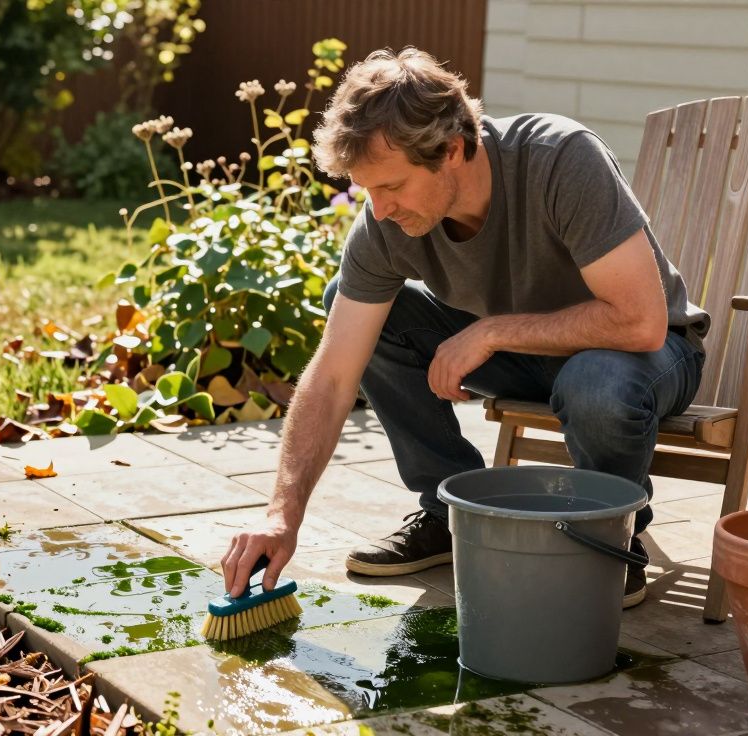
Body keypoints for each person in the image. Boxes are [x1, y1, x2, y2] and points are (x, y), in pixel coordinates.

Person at [221, 47, 708, 609]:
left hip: (646, 356)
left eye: (392, 187)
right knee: (363, 311)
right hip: (533, 360)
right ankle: (448, 514)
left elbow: (640, 322)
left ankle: (609, 539)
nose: (378, 211)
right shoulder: (384, 225)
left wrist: (489, 332)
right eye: (367, 191)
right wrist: (281, 516)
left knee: (594, 379)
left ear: (451, 149)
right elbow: (333, 375)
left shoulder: (560, 160)